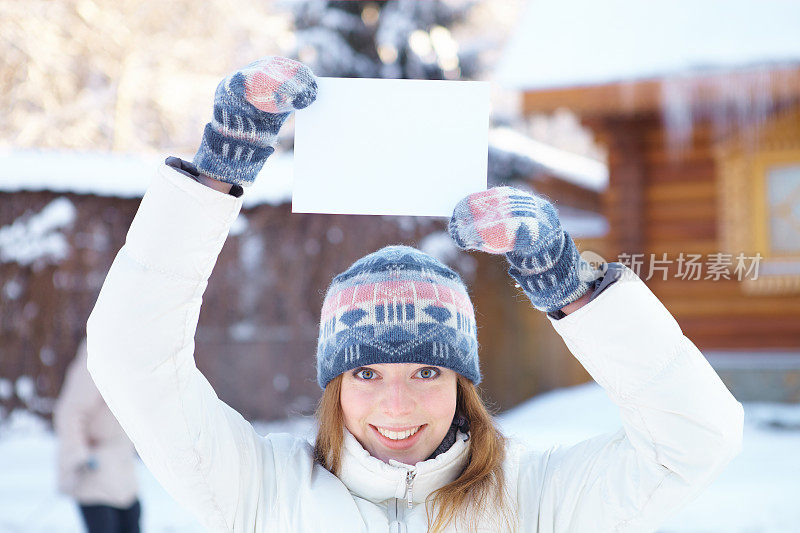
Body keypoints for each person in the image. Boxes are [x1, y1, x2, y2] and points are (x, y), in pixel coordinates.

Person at [86, 57, 743, 532]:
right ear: (333, 382)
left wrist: (574, 291)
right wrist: (214, 174)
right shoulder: (260, 492)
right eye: (366, 370)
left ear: (464, 380)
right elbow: (130, 359)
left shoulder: (540, 500)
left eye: (427, 368)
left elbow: (696, 440)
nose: (395, 404)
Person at [53, 338, 140, 533]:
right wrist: (78, 456)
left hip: (124, 475)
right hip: (95, 475)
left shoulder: (135, 359)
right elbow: (69, 412)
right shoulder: (97, 358)